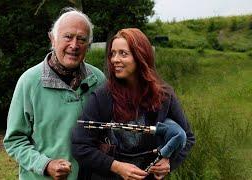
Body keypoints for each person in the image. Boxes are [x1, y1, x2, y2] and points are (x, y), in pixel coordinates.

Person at [71, 28, 195, 180]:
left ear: (140, 56)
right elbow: (80, 145)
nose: (115, 59)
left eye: (123, 53)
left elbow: (187, 137)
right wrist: (116, 166)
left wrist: (169, 162)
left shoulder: (164, 95)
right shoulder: (102, 96)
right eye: (113, 53)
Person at [3, 7, 105, 180]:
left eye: (81, 39)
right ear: (53, 38)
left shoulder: (99, 79)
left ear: (88, 44)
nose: (74, 45)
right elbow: (14, 140)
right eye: (68, 37)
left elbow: (109, 129)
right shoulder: (29, 82)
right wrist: (45, 165)